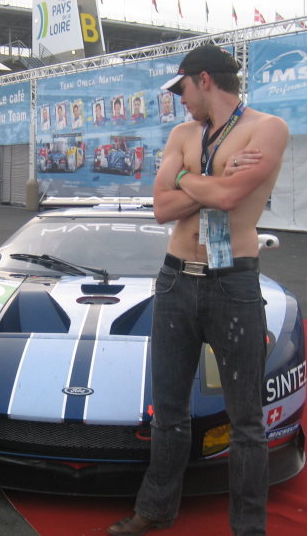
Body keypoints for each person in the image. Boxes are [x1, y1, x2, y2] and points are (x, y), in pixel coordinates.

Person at [108, 44, 288, 536]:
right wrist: (204, 178)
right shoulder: (181, 133)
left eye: (182, 89)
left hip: (233, 283)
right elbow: (162, 209)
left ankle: (248, 528)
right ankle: (155, 510)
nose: (179, 100)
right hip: (175, 279)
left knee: (247, 419)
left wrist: (186, 177)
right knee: (168, 411)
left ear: (204, 80)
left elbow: (231, 198)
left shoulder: (266, 128)